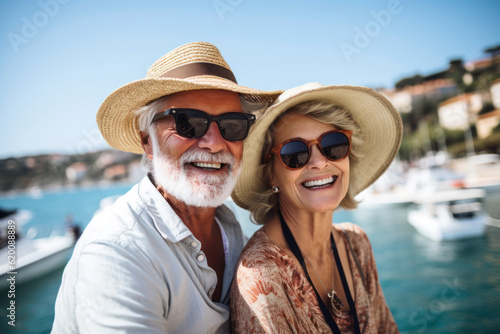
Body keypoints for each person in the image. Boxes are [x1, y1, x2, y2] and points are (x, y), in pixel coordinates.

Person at [52, 41, 281, 333]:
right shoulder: (118, 251)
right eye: (188, 123)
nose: (214, 143)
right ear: (147, 141)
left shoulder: (232, 232)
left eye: (232, 125)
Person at [230, 82, 403, 333]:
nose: (320, 162)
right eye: (294, 153)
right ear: (271, 175)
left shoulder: (357, 244)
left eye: (333, 145)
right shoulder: (262, 275)